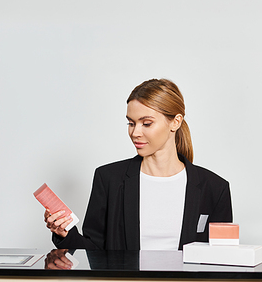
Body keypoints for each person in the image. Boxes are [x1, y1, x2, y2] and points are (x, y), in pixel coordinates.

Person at [44, 78, 232, 250]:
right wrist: (65, 234)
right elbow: (94, 252)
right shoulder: (109, 179)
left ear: (175, 122)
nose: (135, 133)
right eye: (131, 123)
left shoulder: (214, 188)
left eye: (146, 123)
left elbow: (220, 257)